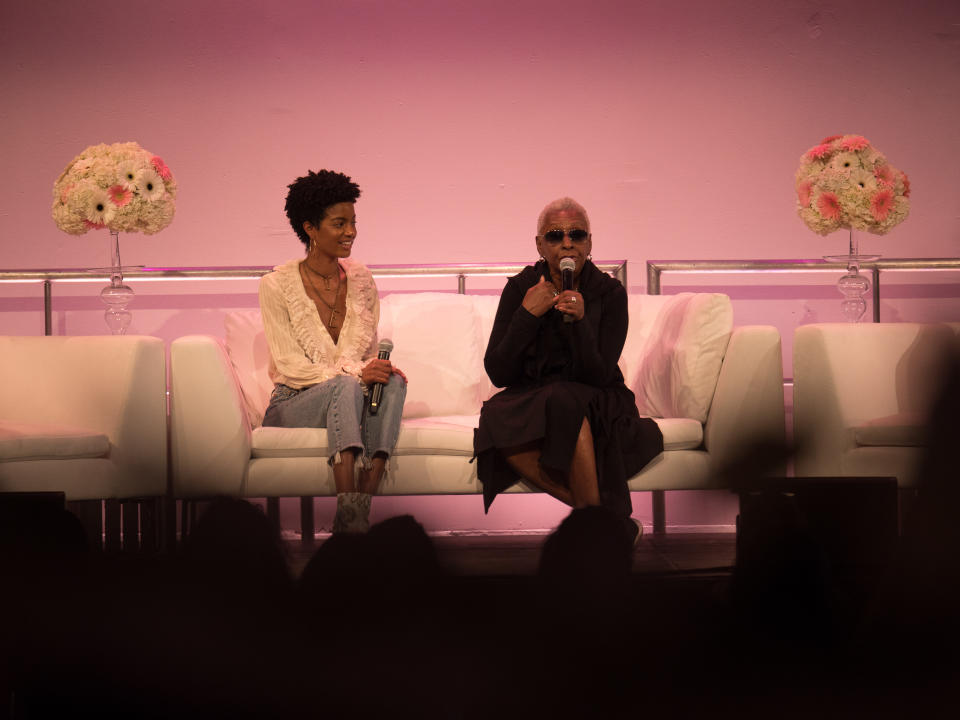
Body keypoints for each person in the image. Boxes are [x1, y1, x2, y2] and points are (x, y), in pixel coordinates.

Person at [474, 197, 663, 544]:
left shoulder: (608, 293)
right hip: (533, 394)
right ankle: (606, 525)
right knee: (495, 418)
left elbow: (600, 373)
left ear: (590, 243)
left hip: (597, 395)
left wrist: (580, 324)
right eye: (555, 236)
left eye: (576, 235)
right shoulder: (521, 289)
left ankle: (593, 533)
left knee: (566, 400)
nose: (566, 244)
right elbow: (498, 371)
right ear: (539, 245)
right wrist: (526, 315)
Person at [259, 170, 406, 533]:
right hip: (293, 401)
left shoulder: (361, 279)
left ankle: (358, 510)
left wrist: (375, 371)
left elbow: (367, 352)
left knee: (395, 382)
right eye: (339, 223)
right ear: (310, 228)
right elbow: (289, 365)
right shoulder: (276, 285)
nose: (351, 232)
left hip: (349, 395)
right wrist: (356, 375)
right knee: (345, 385)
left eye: (353, 222)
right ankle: (349, 507)